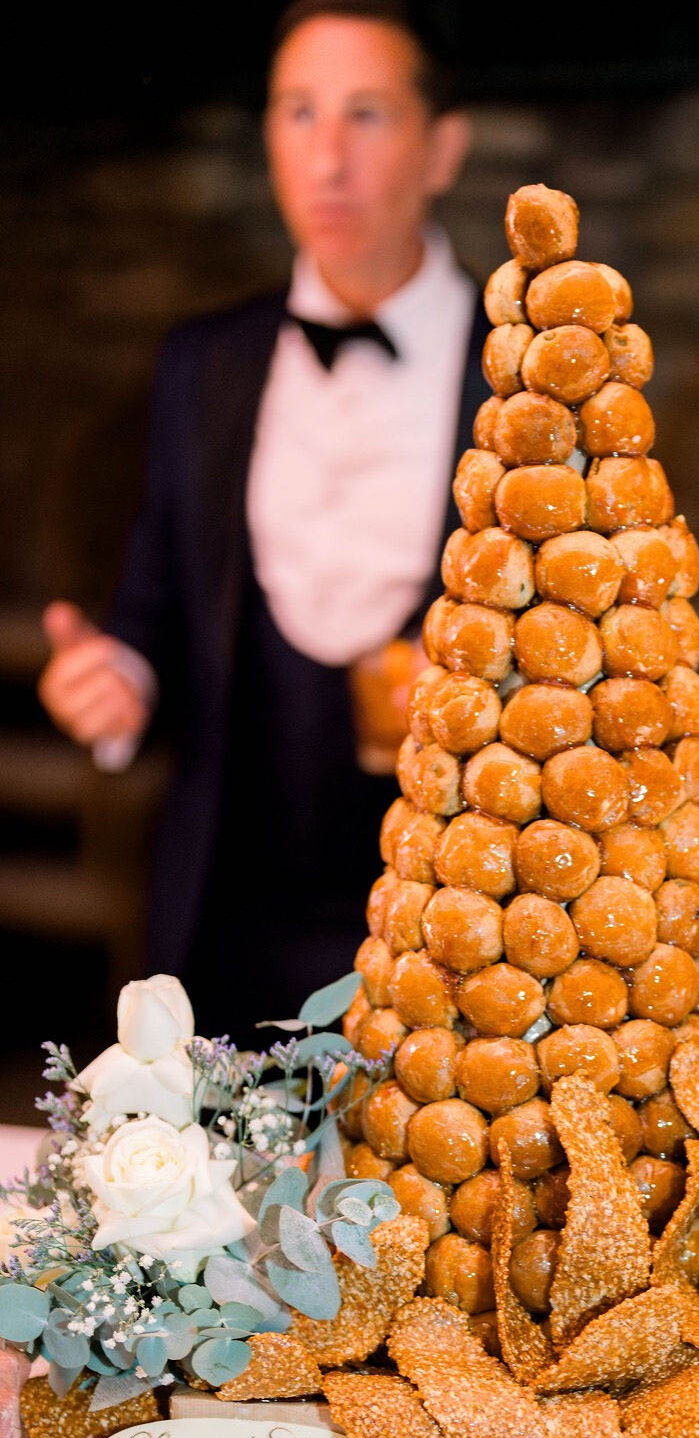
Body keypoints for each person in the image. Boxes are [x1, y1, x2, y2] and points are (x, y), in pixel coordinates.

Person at [37, 0, 484, 1039]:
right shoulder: (206, 361)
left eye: (366, 115)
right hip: (226, 930)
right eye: (298, 114)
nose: (327, 158)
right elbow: (153, 607)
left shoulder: (522, 369)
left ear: (442, 147)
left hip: (456, 950)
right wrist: (122, 678)